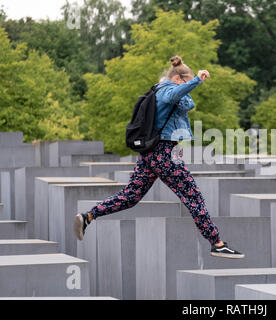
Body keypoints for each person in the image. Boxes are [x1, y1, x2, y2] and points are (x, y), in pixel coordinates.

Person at [73, 55, 245, 259]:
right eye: (185, 81)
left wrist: (183, 72)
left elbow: (188, 104)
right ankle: (217, 243)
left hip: (150, 154)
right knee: (193, 196)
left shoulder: (163, 89)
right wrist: (196, 79)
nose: (190, 84)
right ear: (178, 80)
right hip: (164, 154)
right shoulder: (166, 91)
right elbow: (175, 95)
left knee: (131, 196)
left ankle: (89, 216)